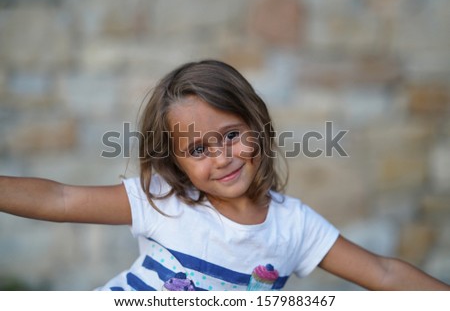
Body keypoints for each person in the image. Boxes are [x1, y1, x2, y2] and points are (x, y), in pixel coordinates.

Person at [0, 60, 449, 291]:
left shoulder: (295, 227)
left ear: (256, 126)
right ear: (177, 164)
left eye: (231, 135)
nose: (221, 157)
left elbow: (386, 273)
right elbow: (59, 199)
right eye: (198, 149)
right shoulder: (164, 201)